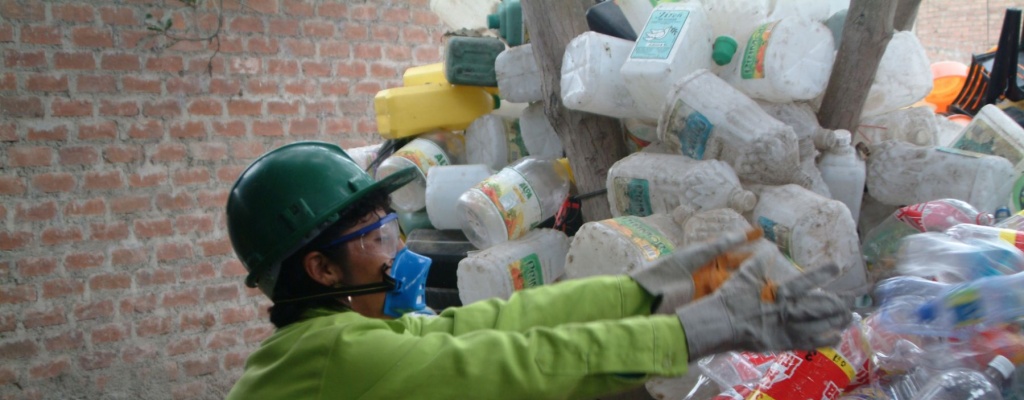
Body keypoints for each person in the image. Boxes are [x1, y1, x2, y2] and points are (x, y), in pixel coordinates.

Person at [223, 141, 852, 400]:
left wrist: (645, 289)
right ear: (321, 269)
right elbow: (514, 369)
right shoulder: (337, 358)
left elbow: (492, 326)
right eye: (379, 236)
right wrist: (690, 333)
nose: (398, 250)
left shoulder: (328, 339)